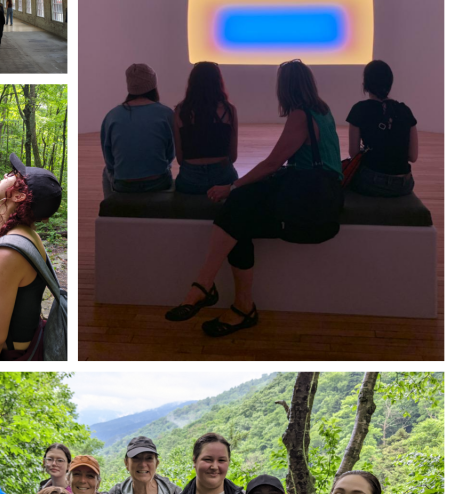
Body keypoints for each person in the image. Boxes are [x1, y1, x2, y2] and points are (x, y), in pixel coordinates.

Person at [165, 60, 343, 337]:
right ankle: (230, 301)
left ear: (286, 87)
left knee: (236, 213)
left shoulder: (300, 115)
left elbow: (273, 163)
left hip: (311, 207)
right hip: (320, 194)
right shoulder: (322, 110)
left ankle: (211, 290)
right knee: (238, 213)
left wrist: (232, 187)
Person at [0, 152, 62, 361]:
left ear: (19, 196)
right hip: (30, 339)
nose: (6, 174)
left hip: (14, 355)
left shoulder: (8, 252)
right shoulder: (27, 234)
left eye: (14, 175)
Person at [100, 63, 175, 196]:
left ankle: (112, 206)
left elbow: (109, 159)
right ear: (153, 85)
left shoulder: (112, 116)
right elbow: (171, 153)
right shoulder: (167, 114)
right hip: (158, 182)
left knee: (106, 172)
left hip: (124, 185)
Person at [346, 60, 418, 197]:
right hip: (403, 184)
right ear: (390, 83)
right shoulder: (405, 111)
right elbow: (413, 157)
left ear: (365, 85)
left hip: (370, 181)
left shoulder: (358, 109)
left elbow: (354, 153)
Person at [174, 62, 239, 195]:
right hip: (223, 178)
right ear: (218, 81)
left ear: (192, 82)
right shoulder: (229, 110)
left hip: (189, 179)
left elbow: (180, 159)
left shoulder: (180, 111)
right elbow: (233, 156)